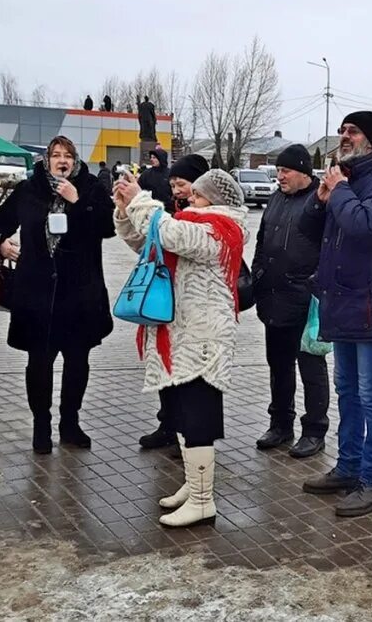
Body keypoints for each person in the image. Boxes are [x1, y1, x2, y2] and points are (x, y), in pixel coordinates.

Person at [113, 168, 248, 528]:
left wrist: (141, 197)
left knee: (200, 415)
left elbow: (169, 233)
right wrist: (127, 211)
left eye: (198, 195)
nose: (191, 198)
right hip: (184, 334)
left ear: (216, 200)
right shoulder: (194, 222)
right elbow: (149, 241)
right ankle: (193, 485)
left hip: (204, 338)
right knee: (186, 415)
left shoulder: (222, 230)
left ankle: (204, 501)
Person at [299, 110, 372, 518]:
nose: (345, 136)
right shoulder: (343, 180)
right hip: (342, 302)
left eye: (354, 131)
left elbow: (366, 227)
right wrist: (320, 201)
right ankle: (348, 467)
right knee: (347, 391)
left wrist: (340, 191)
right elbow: (313, 232)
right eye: (343, 130)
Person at [0, 136, 115, 453]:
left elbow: (107, 226)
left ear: (75, 159)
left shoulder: (92, 188)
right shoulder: (28, 190)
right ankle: (40, 425)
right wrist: (0, 242)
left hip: (79, 293)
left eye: (68, 155)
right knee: (39, 364)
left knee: (77, 363)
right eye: (55, 155)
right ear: (46, 160)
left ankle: (70, 423)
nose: (62, 160)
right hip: (37, 292)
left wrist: (77, 200)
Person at [252, 144, 330, 458]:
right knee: (278, 366)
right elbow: (262, 239)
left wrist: (314, 284)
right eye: (278, 171)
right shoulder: (275, 199)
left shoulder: (319, 201)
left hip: (304, 300)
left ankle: (314, 430)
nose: (280, 176)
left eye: (286, 171)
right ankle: (280, 424)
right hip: (273, 296)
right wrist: (257, 272)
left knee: (311, 367)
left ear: (303, 172)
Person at [136, 154, 211, 454]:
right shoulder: (173, 211)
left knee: (189, 376)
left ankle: (190, 437)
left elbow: (181, 241)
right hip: (167, 299)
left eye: (182, 184)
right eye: (174, 185)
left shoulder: (207, 217)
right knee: (165, 365)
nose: (177, 190)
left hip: (195, 308)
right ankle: (168, 424)